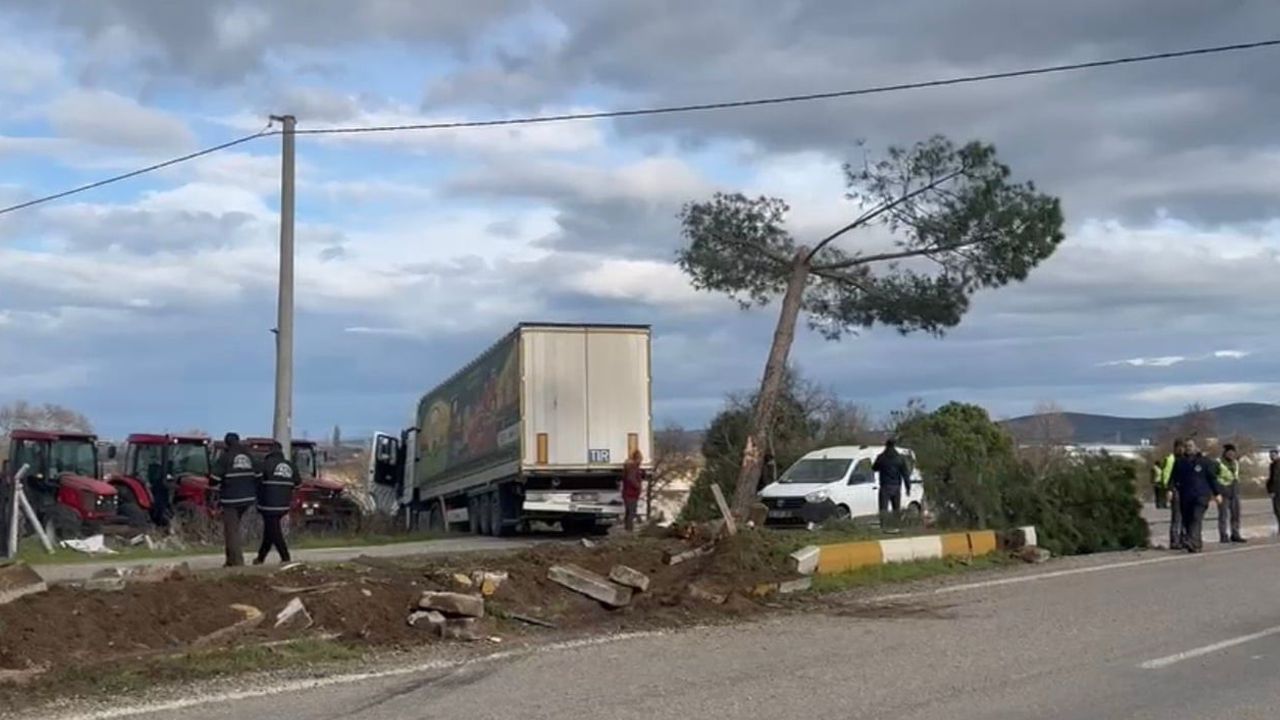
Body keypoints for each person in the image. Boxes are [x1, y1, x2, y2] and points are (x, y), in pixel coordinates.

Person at [211, 433, 259, 567]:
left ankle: (236, 561)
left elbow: (214, 479)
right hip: (249, 498)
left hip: (231, 499)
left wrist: (211, 481)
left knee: (231, 531)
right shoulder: (249, 456)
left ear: (227, 443)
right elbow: (259, 474)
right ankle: (232, 560)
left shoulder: (225, 457)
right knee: (235, 529)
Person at [1170, 439, 1223, 554]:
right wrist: (1170, 490)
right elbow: (1173, 478)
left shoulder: (1204, 462)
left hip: (1201, 495)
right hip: (1185, 495)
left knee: (1196, 517)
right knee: (1188, 520)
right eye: (1187, 446)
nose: (1189, 448)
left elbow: (1212, 478)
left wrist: (1217, 493)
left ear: (1196, 447)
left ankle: (1192, 541)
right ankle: (1196, 543)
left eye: (1191, 446)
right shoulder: (1180, 462)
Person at [256, 441, 299, 565]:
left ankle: (285, 557)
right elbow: (298, 484)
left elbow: (257, 481)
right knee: (270, 531)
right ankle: (260, 558)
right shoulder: (291, 466)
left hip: (267, 503)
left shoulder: (265, 464)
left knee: (274, 531)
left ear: (270, 451)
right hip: (284, 504)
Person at [873, 439, 911, 532]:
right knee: (896, 508)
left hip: (885, 486)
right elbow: (905, 474)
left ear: (886, 445)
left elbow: (874, 468)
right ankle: (896, 526)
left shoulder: (881, 457)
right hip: (896, 486)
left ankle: (884, 527)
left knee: (883, 508)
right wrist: (908, 487)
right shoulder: (900, 458)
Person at [1216, 443, 1246, 544]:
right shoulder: (1218, 463)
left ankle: (1235, 533)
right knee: (1223, 516)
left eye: (1233, 453)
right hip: (1224, 492)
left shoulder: (1236, 463)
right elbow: (1215, 478)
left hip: (1235, 491)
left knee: (1236, 514)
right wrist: (1217, 491)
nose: (1231, 455)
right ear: (1225, 453)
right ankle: (1223, 535)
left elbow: (1236, 476)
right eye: (1229, 452)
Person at [1159, 440, 1185, 549]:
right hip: (1175, 489)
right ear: (1175, 448)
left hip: (1185, 490)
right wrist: (1169, 489)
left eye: (1182, 447)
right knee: (1176, 517)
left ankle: (1183, 539)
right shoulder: (1171, 459)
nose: (1181, 449)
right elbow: (1168, 476)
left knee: (1185, 517)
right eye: (1179, 447)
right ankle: (1174, 541)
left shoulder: (1184, 459)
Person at [621, 449, 644, 532]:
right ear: (637, 458)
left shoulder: (629, 467)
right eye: (640, 459)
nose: (641, 461)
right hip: (631, 494)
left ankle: (627, 529)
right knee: (631, 512)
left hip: (628, 493)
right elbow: (631, 479)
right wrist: (638, 487)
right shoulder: (633, 468)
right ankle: (629, 530)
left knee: (629, 512)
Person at [1267, 449, 1280, 535]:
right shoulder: (1272, 465)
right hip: (1276, 489)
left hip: (1277, 490)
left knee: (1278, 509)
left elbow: (1275, 479)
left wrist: (1272, 490)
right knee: (1277, 510)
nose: (1271, 456)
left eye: (1273, 455)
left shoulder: (1277, 464)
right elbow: (1271, 478)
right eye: (1270, 455)